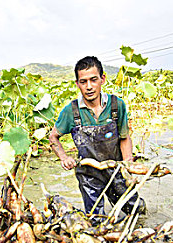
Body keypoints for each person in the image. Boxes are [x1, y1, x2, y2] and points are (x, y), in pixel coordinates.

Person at [48, 56, 146, 220]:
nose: (89, 87)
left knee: (136, 210)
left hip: (116, 169)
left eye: (93, 80)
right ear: (77, 84)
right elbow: (53, 137)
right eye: (83, 82)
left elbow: (124, 137)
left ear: (103, 79)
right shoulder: (71, 111)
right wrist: (64, 158)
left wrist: (128, 162)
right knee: (96, 220)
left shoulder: (117, 106)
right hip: (89, 175)